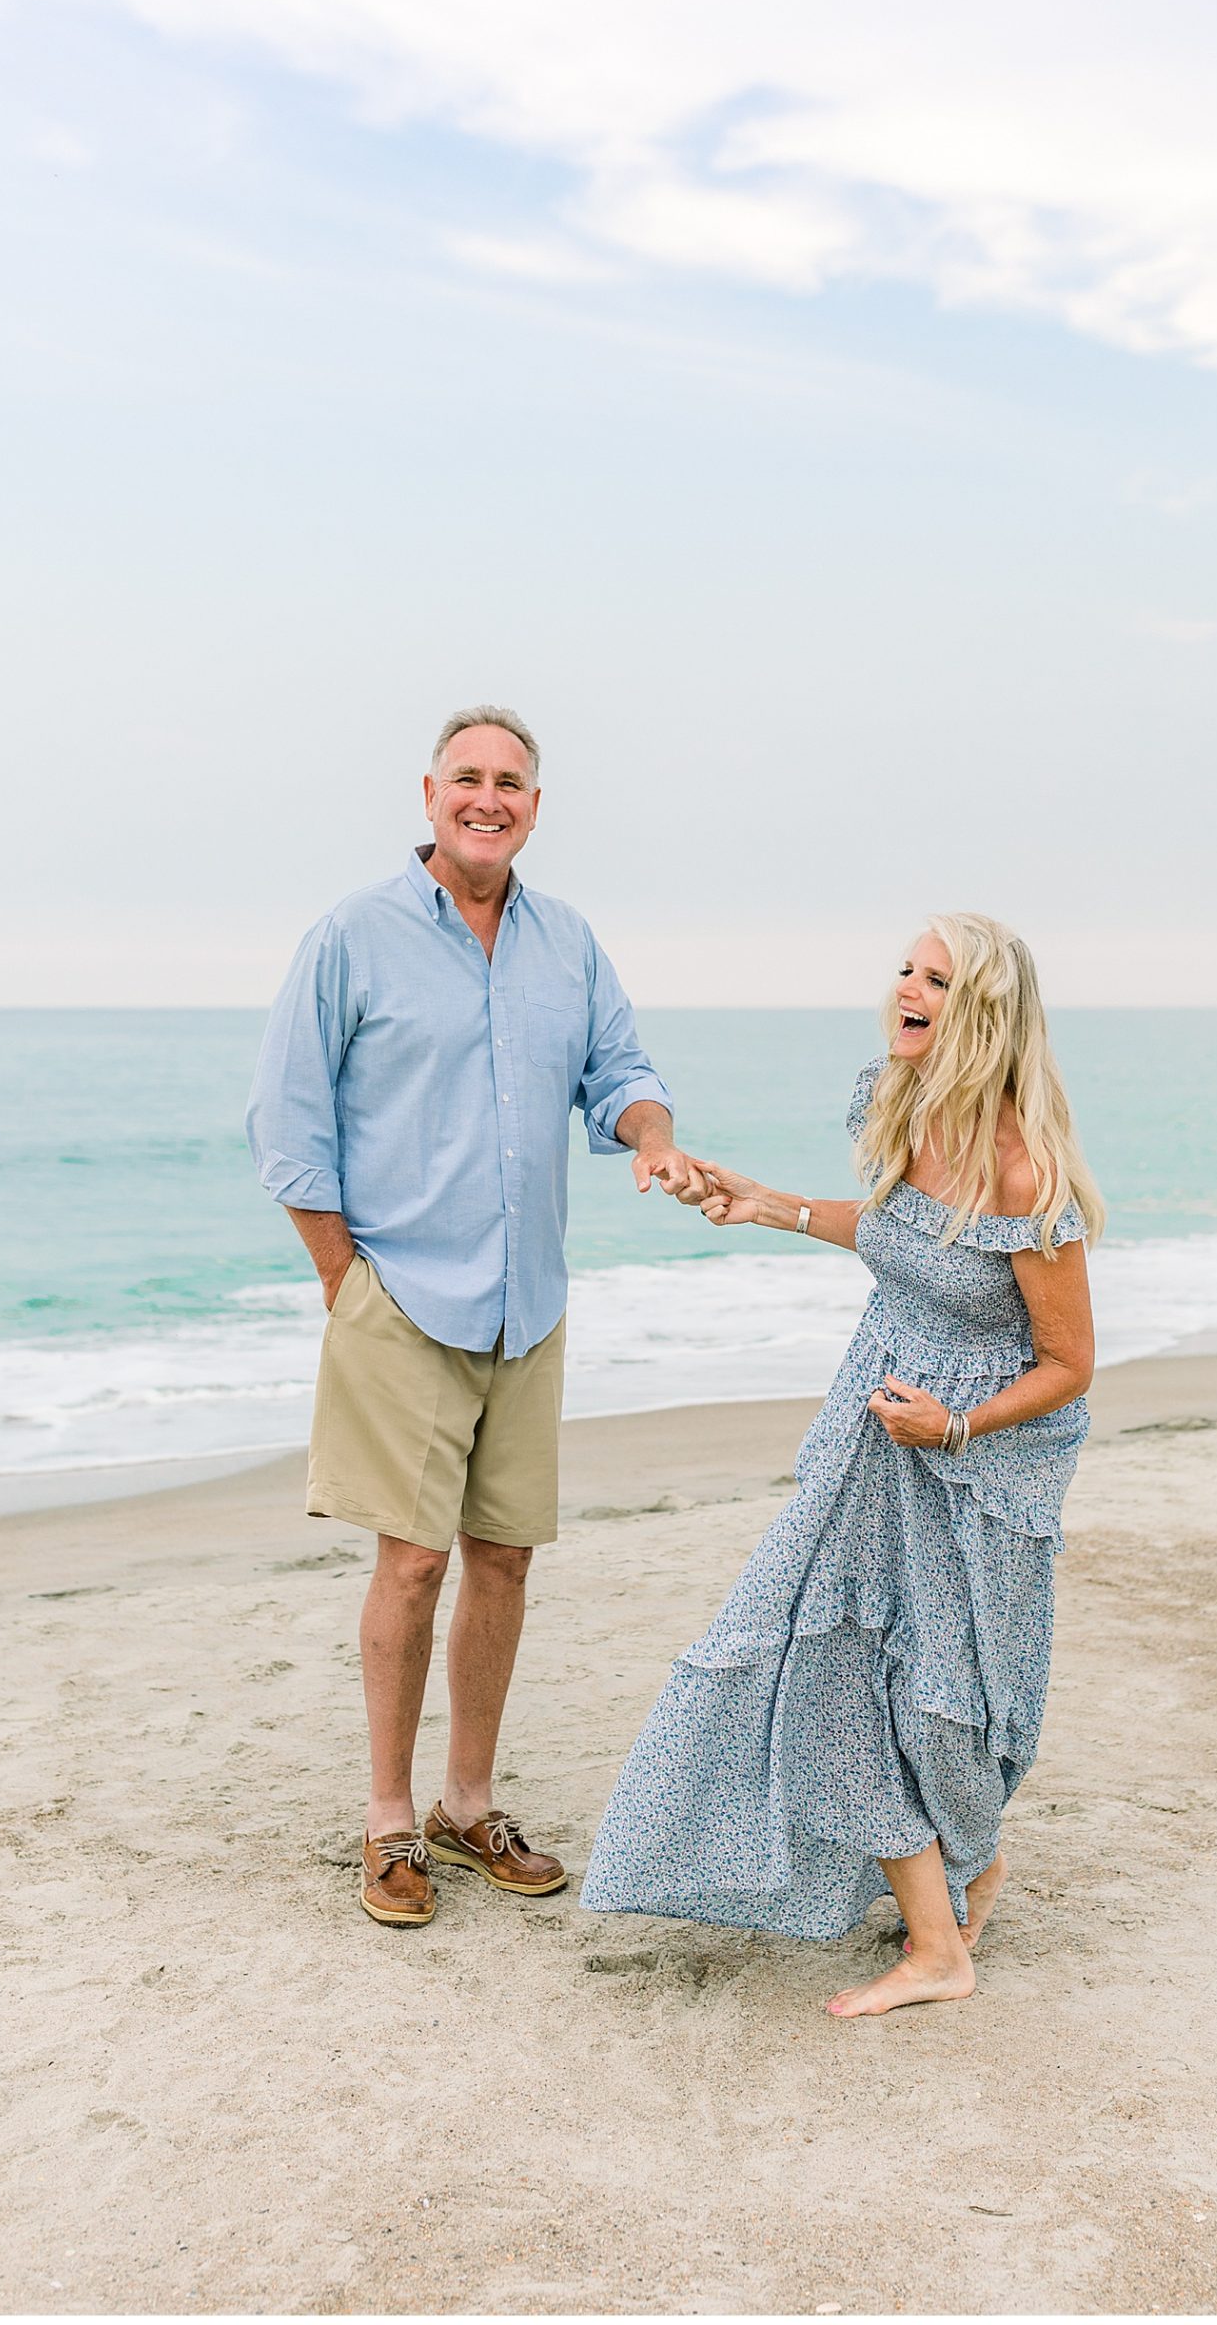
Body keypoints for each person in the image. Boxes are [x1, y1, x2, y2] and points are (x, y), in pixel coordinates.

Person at [580, 912, 1101, 2016]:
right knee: (824, 1670)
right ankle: (939, 1942)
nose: (906, 989)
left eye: (937, 980)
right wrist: (765, 1205)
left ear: (985, 1013)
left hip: (981, 1471)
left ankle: (969, 1865)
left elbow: (1069, 1363)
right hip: (872, 1437)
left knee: (947, 1709)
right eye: (906, 969)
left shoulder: (1026, 1172)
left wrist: (954, 1427)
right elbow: (897, 1232)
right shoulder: (896, 1101)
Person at [246, 704, 704, 1929]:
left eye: (509, 781)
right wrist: (344, 1278)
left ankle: (468, 1803)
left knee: (503, 1555)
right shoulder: (352, 935)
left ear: (534, 808)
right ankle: (388, 1819)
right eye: (467, 777)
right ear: (430, 794)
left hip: (528, 1304)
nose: (487, 798)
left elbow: (620, 1073)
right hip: (401, 1296)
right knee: (411, 1561)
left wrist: (651, 1137)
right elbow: (288, 1120)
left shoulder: (569, 942)